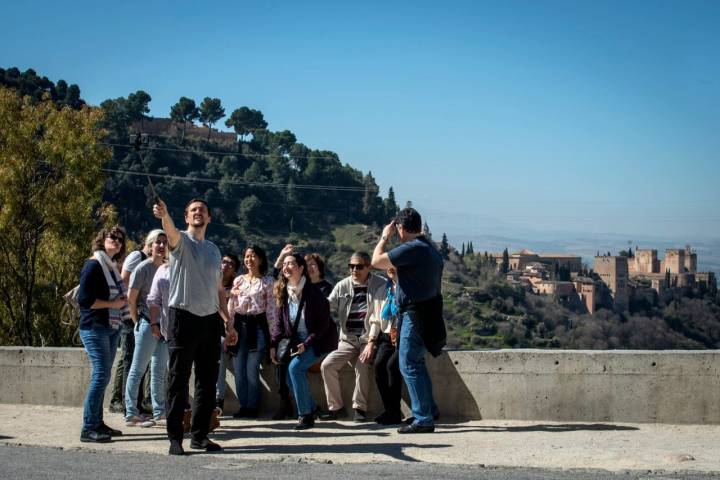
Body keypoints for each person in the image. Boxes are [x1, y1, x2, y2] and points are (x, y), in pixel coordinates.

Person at [152, 197, 238, 455]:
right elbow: (169, 229)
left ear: (209, 218)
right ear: (187, 218)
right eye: (193, 210)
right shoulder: (179, 242)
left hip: (210, 320)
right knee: (178, 380)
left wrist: (227, 323)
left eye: (202, 210)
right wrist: (165, 215)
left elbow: (218, 289)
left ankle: (200, 436)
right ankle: (175, 438)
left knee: (207, 381)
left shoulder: (213, 250)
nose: (198, 212)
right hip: (183, 317)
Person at [371, 208, 445, 434]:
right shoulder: (430, 248)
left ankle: (423, 419)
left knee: (408, 364)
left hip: (415, 313)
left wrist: (385, 236)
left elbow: (376, 261)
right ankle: (428, 409)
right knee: (417, 363)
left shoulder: (412, 248)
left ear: (401, 228)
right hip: (428, 311)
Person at [270, 253, 338, 430]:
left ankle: (305, 416)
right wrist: (273, 344)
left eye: (291, 263)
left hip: (319, 341)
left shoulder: (314, 293)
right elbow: (278, 323)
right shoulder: (283, 291)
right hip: (298, 341)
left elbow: (323, 325)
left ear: (301, 269)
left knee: (295, 368)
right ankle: (312, 407)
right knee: (287, 374)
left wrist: (306, 343)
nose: (286, 267)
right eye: (284, 264)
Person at [77, 226, 129, 443]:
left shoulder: (111, 268)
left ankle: (97, 422)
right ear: (101, 240)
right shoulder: (93, 265)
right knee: (100, 375)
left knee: (104, 375)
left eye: (120, 239)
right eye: (112, 237)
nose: (116, 241)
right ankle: (88, 427)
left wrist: (117, 305)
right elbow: (85, 301)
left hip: (110, 325)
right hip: (94, 326)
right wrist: (114, 303)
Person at [319, 252, 385, 422]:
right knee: (327, 365)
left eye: (359, 266)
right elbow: (327, 305)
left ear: (368, 266)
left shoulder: (379, 284)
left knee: (362, 366)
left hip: (368, 338)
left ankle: (360, 408)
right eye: (351, 266)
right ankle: (336, 408)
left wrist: (372, 341)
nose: (354, 270)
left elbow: (379, 315)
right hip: (347, 339)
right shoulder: (342, 286)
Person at [124, 229, 168, 427]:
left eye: (164, 242)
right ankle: (131, 412)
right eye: (157, 242)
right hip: (146, 324)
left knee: (159, 371)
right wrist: (136, 323)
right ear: (150, 246)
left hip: (165, 326)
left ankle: (159, 413)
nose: (161, 246)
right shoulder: (142, 268)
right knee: (138, 369)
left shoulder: (169, 269)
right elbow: (131, 299)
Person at [228, 245, 276, 419]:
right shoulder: (238, 280)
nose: (249, 259)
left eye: (253, 256)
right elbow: (231, 307)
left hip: (258, 328)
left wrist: (273, 339)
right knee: (239, 370)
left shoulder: (268, 282)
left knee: (251, 369)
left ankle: (252, 406)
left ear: (261, 259)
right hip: (239, 327)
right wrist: (229, 328)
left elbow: (271, 311)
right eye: (247, 256)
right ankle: (243, 405)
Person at [109, 237, 153, 414]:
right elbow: (124, 282)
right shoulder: (137, 256)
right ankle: (125, 403)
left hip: (138, 314)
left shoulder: (150, 262)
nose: (159, 246)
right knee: (129, 358)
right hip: (130, 315)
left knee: (132, 358)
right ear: (147, 243)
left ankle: (125, 401)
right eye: (154, 242)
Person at [370, 267, 403, 425]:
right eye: (388, 266)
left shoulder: (407, 287)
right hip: (386, 335)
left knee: (392, 366)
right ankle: (389, 410)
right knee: (378, 366)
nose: (391, 269)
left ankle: (395, 411)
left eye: (395, 266)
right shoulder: (383, 290)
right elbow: (376, 319)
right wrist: (371, 340)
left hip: (403, 335)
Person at [216, 253, 240, 413]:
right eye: (224, 262)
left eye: (230, 264)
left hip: (229, 332)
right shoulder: (210, 282)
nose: (225, 265)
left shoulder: (236, 288)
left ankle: (218, 400)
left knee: (220, 354)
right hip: (209, 328)